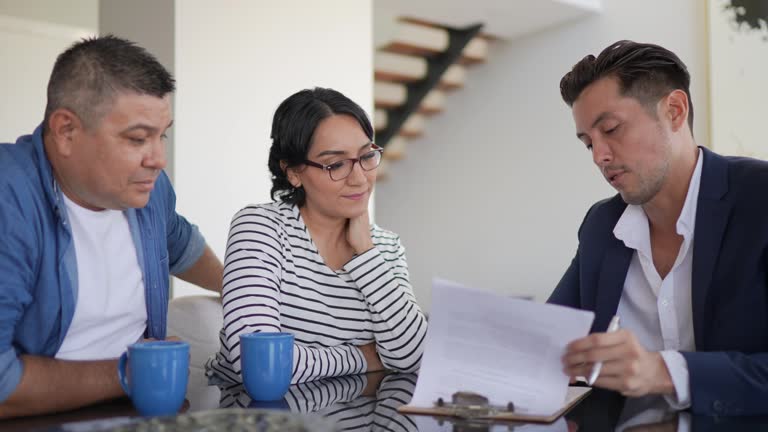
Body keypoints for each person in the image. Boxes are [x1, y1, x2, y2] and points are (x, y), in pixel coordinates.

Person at [0, 35, 223, 418]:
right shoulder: (10, 199)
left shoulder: (148, 192)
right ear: (67, 131)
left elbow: (180, 242)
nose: (158, 159)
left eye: (162, 134)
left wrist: (246, 292)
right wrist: (129, 373)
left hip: (142, 412)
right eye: (138, 138)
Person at [549, 40, 768, 416]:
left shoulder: (759, 199)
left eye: (612, 129)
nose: (600, 156)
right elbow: (547, 343)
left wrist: (664, 371)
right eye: (588, 144)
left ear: (674, 110)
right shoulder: (601, 226)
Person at [206, 87, 427, 384]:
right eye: (336, 164)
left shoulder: (385, 247)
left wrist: (366, 253)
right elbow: (259, 365)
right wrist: (364, 356)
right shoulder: (262, 227)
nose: (360, 178)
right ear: (294, 172)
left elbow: (413, 357)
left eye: (366, 156)